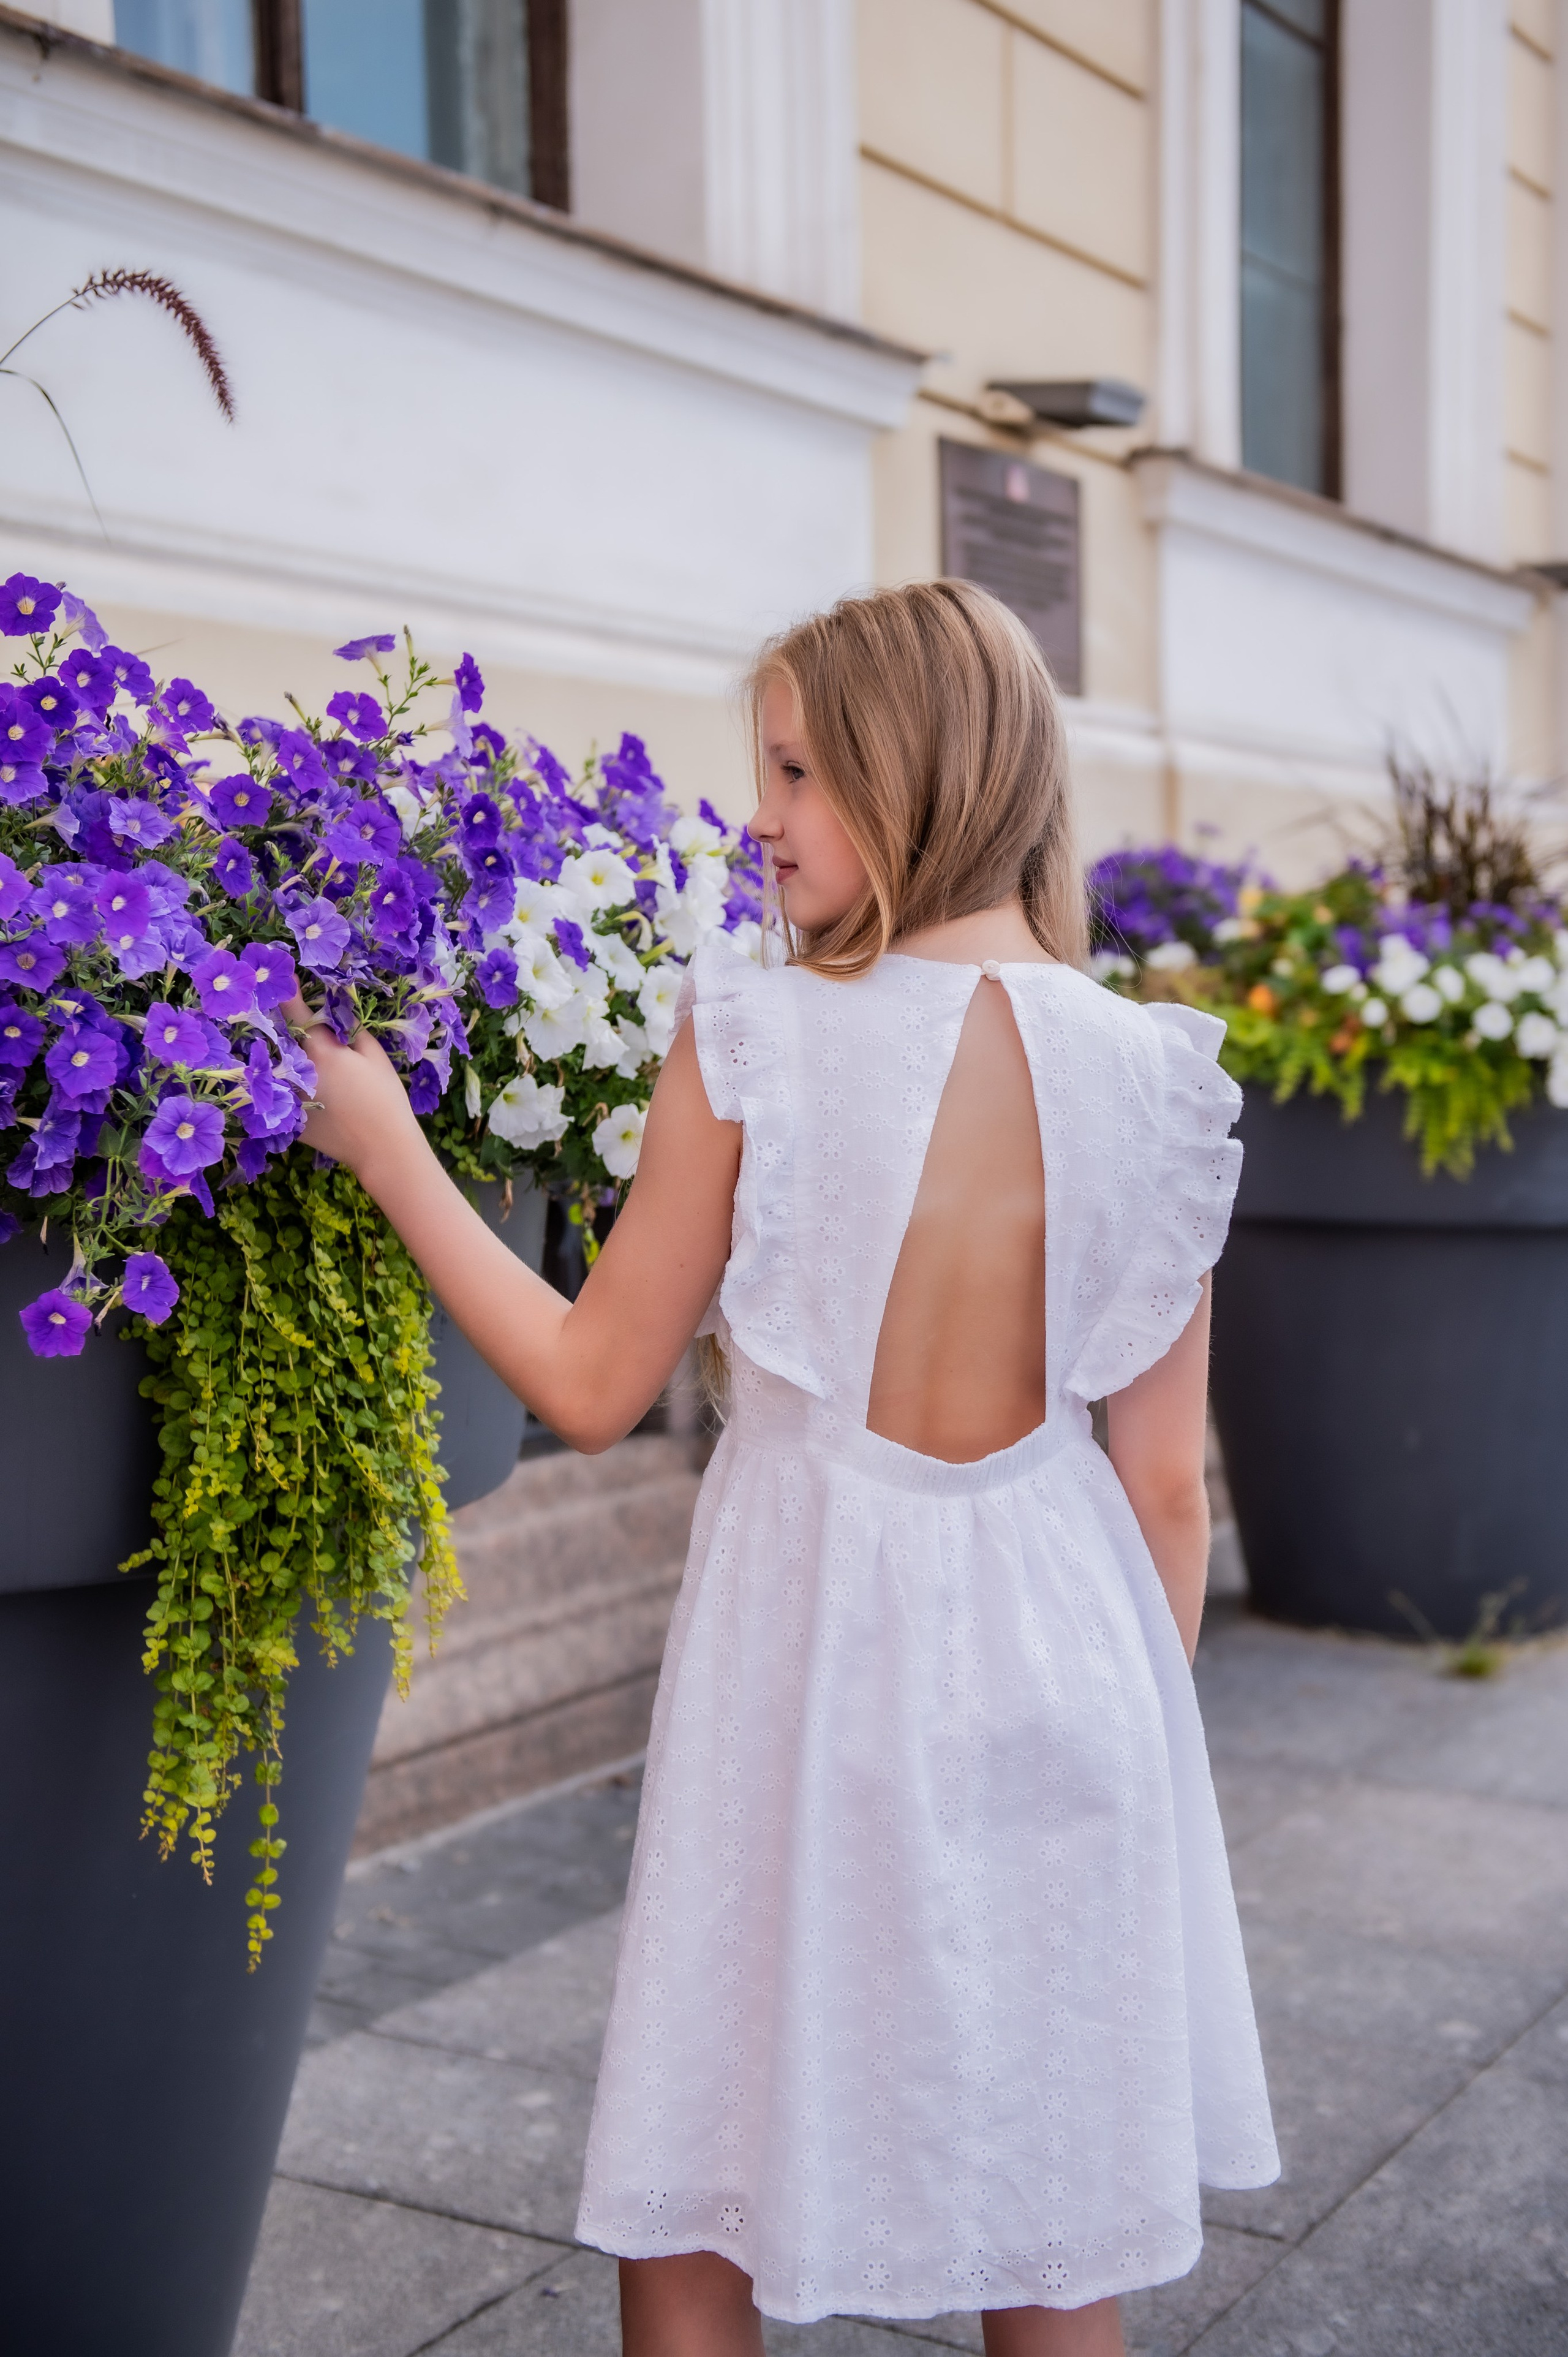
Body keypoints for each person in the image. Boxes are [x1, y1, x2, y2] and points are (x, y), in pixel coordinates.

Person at [290, 580, 1279, 2356]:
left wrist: (385, 1145)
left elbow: (596, 1384)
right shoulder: (1158, 1077)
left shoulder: (751, 1037)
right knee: (1052, 2199)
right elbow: (1168, 1490)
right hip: (1074, 1654)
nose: (762, 818)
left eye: (801, 773)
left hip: (807, 1646)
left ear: (918, 774)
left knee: (704, 2142)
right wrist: (1141, 1728)